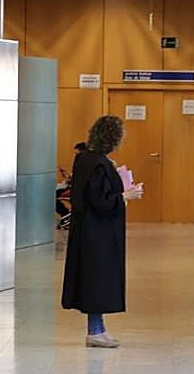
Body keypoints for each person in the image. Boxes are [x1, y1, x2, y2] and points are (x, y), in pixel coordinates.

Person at [61, 116, 142, 348]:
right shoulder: (99, 164)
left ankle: (98, 329)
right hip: (99, 233)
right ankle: (95, 332)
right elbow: (100, 201)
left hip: (89, 230)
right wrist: (126, 195)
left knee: (94, 280)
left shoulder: (86, 159)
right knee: (97, 280)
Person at [56, 142, 87, 229]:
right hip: (73, 186)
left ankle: (65, 214)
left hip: (76, 189)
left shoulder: (83, 163)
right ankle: (65, 214)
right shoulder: (82, 162)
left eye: (77, 153)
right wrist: (67, 175)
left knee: (54, 195)